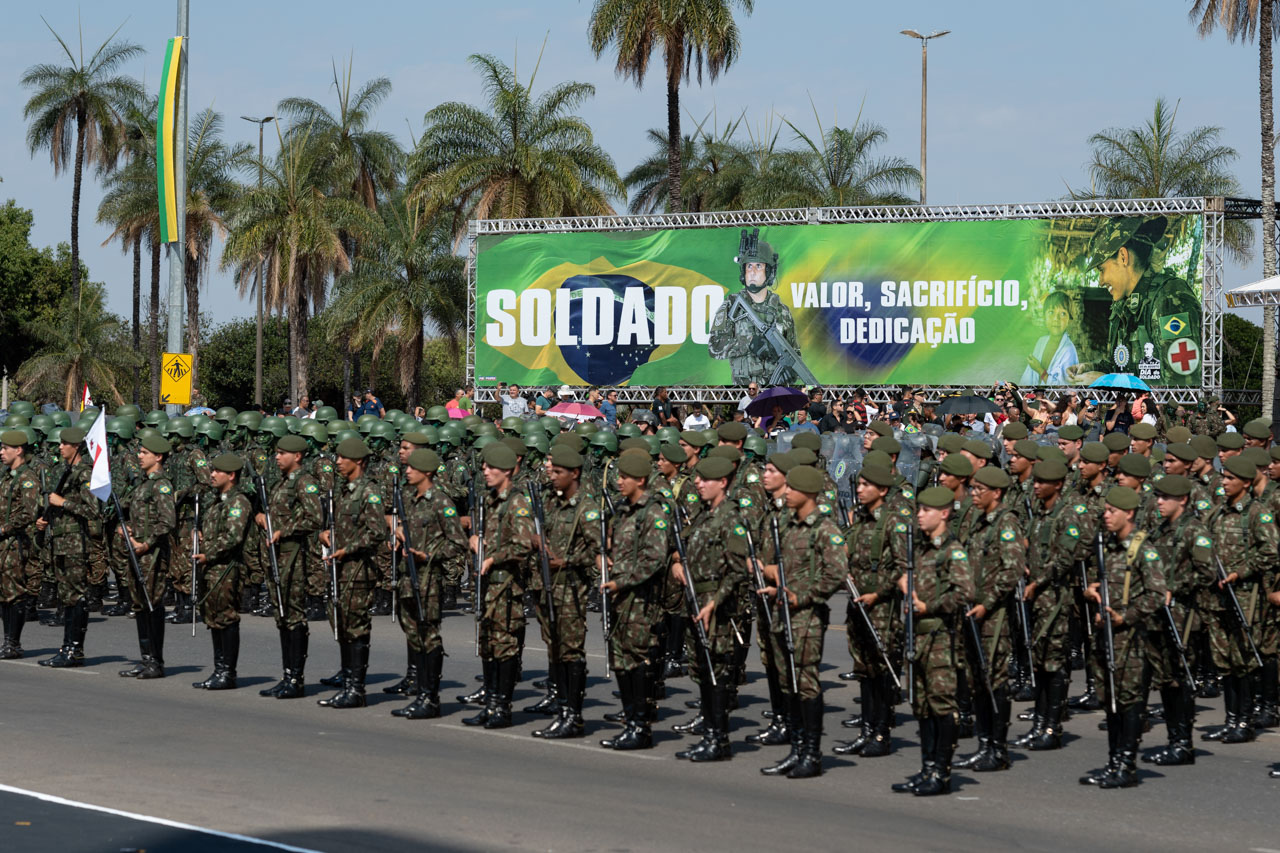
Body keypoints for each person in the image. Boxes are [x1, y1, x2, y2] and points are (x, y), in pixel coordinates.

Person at [755, 464, 846, 778]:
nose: (787, 493)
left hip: (806, 616)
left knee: (805, 684)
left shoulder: (824, 528)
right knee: (788, 683)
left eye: (792, 488)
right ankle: (795, 749)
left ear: (807, 492)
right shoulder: (787, 525)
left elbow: (835, 573)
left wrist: (801, 595)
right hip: (782, 612)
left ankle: (811, 753)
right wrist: (777, 587)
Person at [1078, 486, 1167, 789]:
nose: (1106, 515)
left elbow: (1157, 595)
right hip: (1104, 635)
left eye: (1111, 511)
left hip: (1130, 640)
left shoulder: (1143, 548)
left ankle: (1126, 765)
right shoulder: (1106, 546)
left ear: (1128, 513)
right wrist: (1090, 590)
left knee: (1128, 702)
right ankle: (1113, 761)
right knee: (1110, 701)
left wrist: (1125, 616)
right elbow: (1097, 578)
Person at [890, 486, 975, 797]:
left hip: (940, 637)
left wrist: (931, 606)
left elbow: (964, 592)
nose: (920, 515)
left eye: (926, 510)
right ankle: (927, 768)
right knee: (922, 706)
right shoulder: (921, 548)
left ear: (944, 513)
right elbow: (906, 575)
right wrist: (902, 581)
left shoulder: (951, 550)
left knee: (941, 706)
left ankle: (941, 772)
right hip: (917, 635)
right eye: (919, 509)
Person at [671, 456, 749, 762]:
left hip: (717, 607)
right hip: (695, 600)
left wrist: (715, 602)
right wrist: (678, 564)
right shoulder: (704, 516)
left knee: (716, 671)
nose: (698, 484)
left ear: (723, 483)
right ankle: (709, 733)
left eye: (705, 480)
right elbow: (691, 551)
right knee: (702, 670)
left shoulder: (732, 518)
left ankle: (719, 739)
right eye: (698, 479)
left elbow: (737, 569)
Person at [1066, 216, 1202, 386]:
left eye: (1102, 270)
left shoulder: (1169, 298)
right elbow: (1121, 367)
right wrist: (1090, 369)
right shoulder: (1122, 307)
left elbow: (1181, 385)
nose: (1100, 281)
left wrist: (1107, 380)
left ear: (1123, 256)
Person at [528, 445, 600, 739]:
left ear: (575, 473)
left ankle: (573, 716)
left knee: (570, 652)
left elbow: (599, 551)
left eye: (558, 472)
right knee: (555, 648)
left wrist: (567, 561)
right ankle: (561, 710)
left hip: (571, 589)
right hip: (548, 586)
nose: (552, 476)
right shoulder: (554, 503)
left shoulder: (587, 508)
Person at [599, 451, 670, 751]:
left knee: (636, 662)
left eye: (625, 477)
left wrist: (621, 580)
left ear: (640, 480)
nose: (619, 481)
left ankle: (640, 727)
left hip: (641, 601)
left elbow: (656, 558)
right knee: (621, 662)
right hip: (620, 599)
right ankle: (630, 722)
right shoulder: (624, 510)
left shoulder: (652, 512)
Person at [464, 443, 536, 729]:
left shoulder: (516, 501)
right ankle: (491, 703)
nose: (485, 470)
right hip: (487, 583)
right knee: (488, 644)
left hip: (506, 585)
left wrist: (494, 557)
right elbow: (486, 535)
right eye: (484, 466)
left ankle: (502, 709)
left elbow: (522, 544)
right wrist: (475, 539)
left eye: (491, 466)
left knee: (504, 646)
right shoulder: (491, 500)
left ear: (506, 470)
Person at [390, 448, 466, 720]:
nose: (407, 471)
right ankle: (420, 692)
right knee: (413, 633)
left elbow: (458, 543)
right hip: (407, 576)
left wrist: (429, 555)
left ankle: (429, 698)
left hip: (428, 579)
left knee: (428, 636)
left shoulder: (441, 501)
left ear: (427, 472)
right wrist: (399, 533)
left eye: (413, 468)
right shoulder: (410, 498)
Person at [316, 437, 386, 709]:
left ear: (357, 461)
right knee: (344, 627)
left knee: (355, 629)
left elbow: (377, 532)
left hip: (358, 570)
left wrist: (347, 549)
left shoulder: (369, 492)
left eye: (343, 457)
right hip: (341, 567)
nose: (337, 462)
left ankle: (355, 690)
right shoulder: (344, 491)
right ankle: (347, 684)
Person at [259, 434, 323, 700]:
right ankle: (287, 675)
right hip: (277, 558)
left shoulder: (305, 482)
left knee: (293, 616)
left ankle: (296, 678)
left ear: (297, 456)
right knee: (282, 617)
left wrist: (283, 531)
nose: (276, 456)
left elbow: (315, 517)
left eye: (282, 453)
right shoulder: (281, 483)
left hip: (294, 558)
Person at [708, 228, 812, 386]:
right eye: (749, 266)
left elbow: (794, 352)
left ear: (769, 272)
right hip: (744, 392)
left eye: (758, 266)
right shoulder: (731, 306)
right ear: (743, 272)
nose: (753, 272)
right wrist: (748, 343)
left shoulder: (782, 312)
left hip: (776, 393)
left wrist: (790, 373)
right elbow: (715, 346)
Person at [36, 427, 97, 668]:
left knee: (76, 595)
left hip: (75, 542)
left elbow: (93, 510)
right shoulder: (65, 470)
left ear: (76, 447)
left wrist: (64, 502)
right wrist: (46, 518)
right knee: (66, 596)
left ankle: (75, 650)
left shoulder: (85, 473)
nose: (60, 447)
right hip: (60, 541)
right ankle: (67, 647)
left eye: (64, 444)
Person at [118, 433, 177, 680]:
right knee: (140, 606)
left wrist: (146, 543)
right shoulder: (143, 483)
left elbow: (167, 521)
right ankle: (145, 659)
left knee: (153, 606)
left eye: (144, 453)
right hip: (136, 551)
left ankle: (156, 661)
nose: (139, 456)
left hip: (151, 556)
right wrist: (129, 528)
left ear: (158, 456)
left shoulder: (161, 484)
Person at [191, 453, 252, 691]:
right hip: (211, 568)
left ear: (231, 475)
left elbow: (233, 538)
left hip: (226, 569)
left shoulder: (238, 502)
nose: (212, 474)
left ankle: (227, 672)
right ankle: (219, 669)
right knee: (214, 619)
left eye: (217, 471)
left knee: (226, 619)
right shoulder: (218, 501)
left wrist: (208, 553)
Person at [0, 430, 39, 659]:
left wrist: (4, 529)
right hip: (4, 543)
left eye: (5, 448)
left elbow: (29, 512)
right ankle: (7, 641)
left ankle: (12, 643)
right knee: (4, 592)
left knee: (14, 593)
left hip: (15, 543)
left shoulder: (27, 478)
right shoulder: (6, 476)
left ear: (19, 450)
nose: (1, 452)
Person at [1020, 290, 1079, 386]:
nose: (1056, 318)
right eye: (1051, 312)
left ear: (1070, 320)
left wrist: (1039, 369)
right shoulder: (1041, 342)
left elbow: (1063, 389)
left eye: (1063, 314)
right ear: (1044, 317)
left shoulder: (1069, 350)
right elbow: (1028, 376)